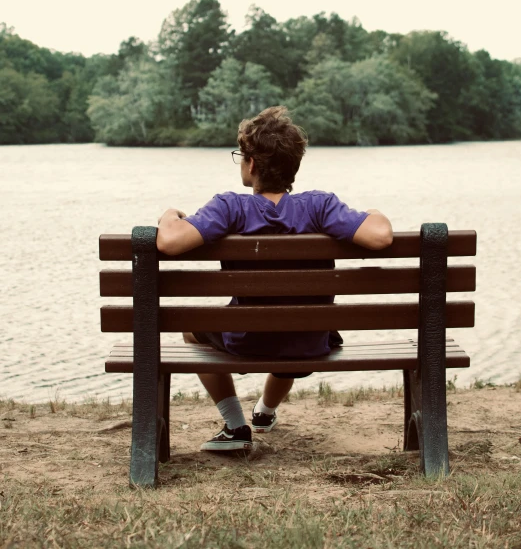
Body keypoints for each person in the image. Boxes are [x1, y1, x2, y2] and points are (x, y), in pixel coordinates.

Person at [157, 106, 393, 452]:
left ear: (251, 164)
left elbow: (170, 241)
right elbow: (381, 235)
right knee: (292, 323)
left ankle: (237, 427)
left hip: (246, 340)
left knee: (192, 331)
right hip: (310, 342)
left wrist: (169, 214)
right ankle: (265, 412)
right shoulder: (320, 206)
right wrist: (372, 213)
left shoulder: (230, 208)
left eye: (241, 156)